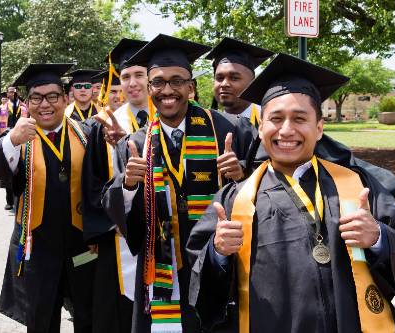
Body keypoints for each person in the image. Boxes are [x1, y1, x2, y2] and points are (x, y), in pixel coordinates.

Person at [187, 53, 395, 333]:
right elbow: (200, 272)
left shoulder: (359, 185)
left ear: (319, 128)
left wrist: (378, 238)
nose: (287, 130)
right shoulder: (234, 200)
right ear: (261, 128)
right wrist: (218, 251)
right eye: (276, 118)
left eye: (300, 118)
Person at [102, 34, 255, 333]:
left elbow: (264, 188)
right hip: (164, 265)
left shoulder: (229, 129)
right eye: (158, 82)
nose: (167, 90)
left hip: (218, 256)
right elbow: (116, 209)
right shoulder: (134, 144)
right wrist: (129, 187)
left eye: (177, 81)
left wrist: (242, 177)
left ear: (191, 86)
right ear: (149, 89)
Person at [0, 63, 97, 333]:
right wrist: (12, 139)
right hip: (36, 249)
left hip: (82, 248)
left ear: (65, 98)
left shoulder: (87, 134)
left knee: (88, 317)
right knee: (41, 321)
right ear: (27, 103)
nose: (44, 104)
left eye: (52, 96)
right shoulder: (19, 138)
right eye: (36, 97)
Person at [80, 38, 147, 333]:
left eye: (139, 75)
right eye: (125, 76)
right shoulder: (103, 124)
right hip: (117, 238)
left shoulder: (173, 122)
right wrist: (111, 220)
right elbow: (92, 183)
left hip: (166, 237)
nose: (132, 84)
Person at [206, 37, 273, 128]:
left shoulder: (269, 121)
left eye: (234, 78)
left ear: (252, 82)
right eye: (220, 78)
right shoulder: (208, 125)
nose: (224, 84)